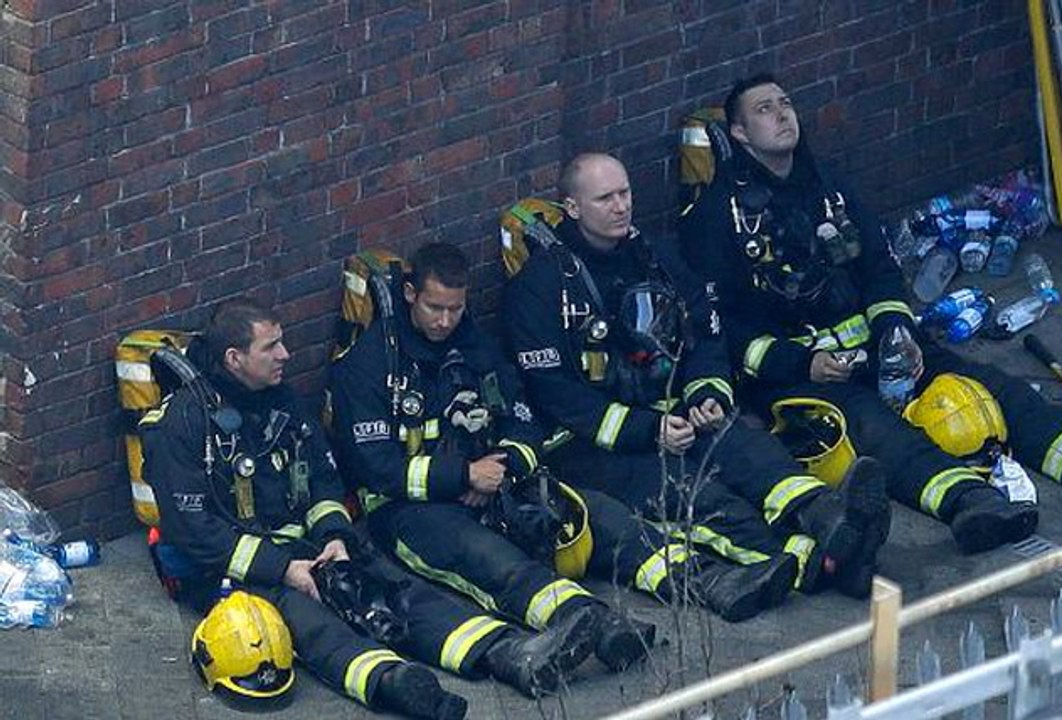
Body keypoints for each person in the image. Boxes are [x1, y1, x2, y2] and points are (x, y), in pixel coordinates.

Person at [677, 73, 1062, 554]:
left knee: (994, 387)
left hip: (879, 348)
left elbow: (881, 269)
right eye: (765, 110)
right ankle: (972, 505)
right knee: (877, 430)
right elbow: (719, 327)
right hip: (801, 374)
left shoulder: (828, 187)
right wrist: (799, 365)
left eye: (786, 104)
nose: (783, 115)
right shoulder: (714, 220)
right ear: (740, 135)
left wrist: (894, 326)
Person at [140, 300, 609, 717]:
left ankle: (509, 655)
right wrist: (284, 569)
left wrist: (336, 539)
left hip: (311, 548)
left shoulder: (281, 401)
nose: (286, 355)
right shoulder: (180, 426)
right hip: (236, 569)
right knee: (311, 622)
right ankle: (396, 685)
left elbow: (324, 481)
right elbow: (193, 530)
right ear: (234, 359)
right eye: (272, 347)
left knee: (393, 588)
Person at [327, 242, 799, 627]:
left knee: (603, 518)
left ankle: (713, 584)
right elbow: (376, 467)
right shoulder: (367, 368)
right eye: (435, 307)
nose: (445, 321)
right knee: (488, 558)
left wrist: (504, 464)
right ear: (410, 294)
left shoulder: (478, 348)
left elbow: (524, 420)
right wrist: (463, 476)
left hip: (496, 480)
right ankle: (589, 623)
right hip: (412, 510)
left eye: (455, 308)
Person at [503, 153, 892, 599]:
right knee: (700, 498)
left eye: (625, 193)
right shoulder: (539, 288)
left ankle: (827, 516)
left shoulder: (655, 255)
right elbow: (554, 394)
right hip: (599, 446)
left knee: (752, 454)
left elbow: (705, 327)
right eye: (605, 198)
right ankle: (814, 562)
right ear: (572, 209)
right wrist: (647, 431)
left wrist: (706, 393)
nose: (620, 207)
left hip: (677, 414)